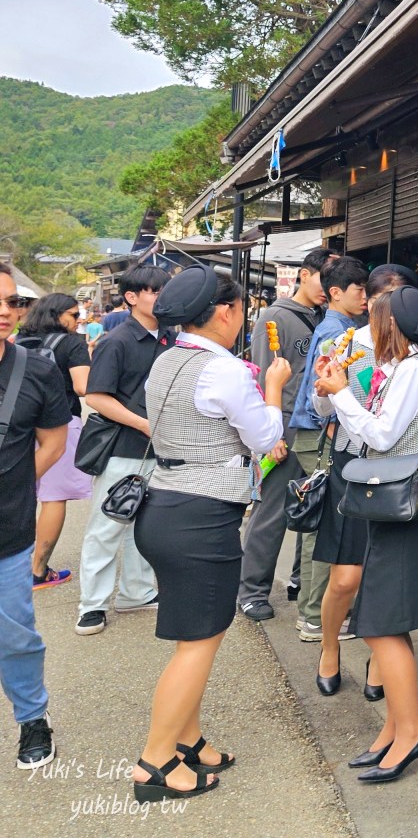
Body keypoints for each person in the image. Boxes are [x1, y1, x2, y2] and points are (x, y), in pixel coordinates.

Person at [130, 267, 291, 802]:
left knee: (193, 636)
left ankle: (189, 740)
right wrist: (272, 387)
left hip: (163, 509)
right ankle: (154, 763)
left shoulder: (166, 362)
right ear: (225, 312)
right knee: (199, 643)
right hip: (201, 518)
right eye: (242, 309)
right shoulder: (224, 373)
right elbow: (266, 437)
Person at [313, 284, 418, 783]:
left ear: (392, 325)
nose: (369, 324)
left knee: (379, 623)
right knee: (384, 620)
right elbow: (364, 418)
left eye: (377, 317)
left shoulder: (412, 368)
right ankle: (395, 728)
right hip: (385, 501)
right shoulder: (400, 366)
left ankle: (410, 732)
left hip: (402, 503)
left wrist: (343, 392)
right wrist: (339, 386)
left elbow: (382, 434)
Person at [309, 264, 418, 702]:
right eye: (384, 303)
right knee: (346, 578)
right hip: (352, 467)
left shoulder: (417, 353)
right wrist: (327, 388)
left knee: (386, 576)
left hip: (399, 472)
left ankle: (379, 657)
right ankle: (329, 645)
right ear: (369, 304)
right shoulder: (346, 343)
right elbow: (320, 410)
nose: (392, 314)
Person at [237, 247, 332, 623]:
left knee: (311, 508)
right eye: (324, 279)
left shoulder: (325, 317)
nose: (329, 289)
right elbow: (261, 376)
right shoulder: (275, 316)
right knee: (272, 511)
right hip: (285, 426)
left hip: (317, 427)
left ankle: (298, 580)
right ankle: (252, 590)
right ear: (305, 274)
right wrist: (268, 432)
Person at [0, 264, 70, 769]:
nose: (5, 312)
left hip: (8, 526)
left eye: (12, 302)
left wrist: (18, 476)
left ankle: (32, 718)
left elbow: (54, 439)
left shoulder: (35, 369)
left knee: (15, 633)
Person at [76, 265, 171, 636]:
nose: (161, 298)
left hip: (161, 450)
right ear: (132, 297)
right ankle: (91, 605)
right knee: (108, 525)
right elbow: (97, 396)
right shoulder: (116, 341)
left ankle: (137, 592)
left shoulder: (171, 338)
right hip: (124, 446)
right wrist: (143, 423)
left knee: (145, 527)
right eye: (155, 292)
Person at [282, 255, 368, 647]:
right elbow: (327, 395)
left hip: (315, 433)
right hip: (319, 435)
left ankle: (315, 611)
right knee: (323, 527)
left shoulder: (340, 325)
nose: (366, 297)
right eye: (359, 290)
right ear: (335, 293)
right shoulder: (339, 332)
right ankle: (315, 616)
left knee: (322, 524)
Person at [16, 295, 92, 589]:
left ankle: (14, 565)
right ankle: (37, 570)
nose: (78, 320)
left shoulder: (18, 340)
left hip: (19, 424)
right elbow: (83, 386)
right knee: (53, 497)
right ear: (58, 315)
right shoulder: (72, 343)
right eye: (74, 314)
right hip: (58, 424)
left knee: (19, 493)